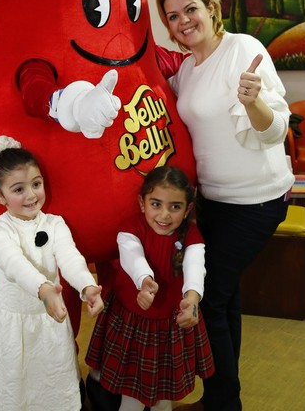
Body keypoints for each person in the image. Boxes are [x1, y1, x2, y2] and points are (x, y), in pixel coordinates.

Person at [155, 0, 295, 411]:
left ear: (211, 8)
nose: (183, 21)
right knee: (226, 297)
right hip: (213, 200)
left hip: (257, 200)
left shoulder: (244, 50)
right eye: (173, 16)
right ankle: (222, 395)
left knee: (208, 298)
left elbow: (275, 131)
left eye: (190, 9)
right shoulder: (186, 70)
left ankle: (223, 402)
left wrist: (254, 101)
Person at [0, 135, 104, 411]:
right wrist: (44, 290)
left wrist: (87, 286)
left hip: (46, 322)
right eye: (18, 189)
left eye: (36, 184)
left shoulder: (55, 224)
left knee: (47, 383)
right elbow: (15, 264)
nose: (31, 195)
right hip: (9, 325)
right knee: (10, 386)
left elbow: (70, 258)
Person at [85, 165, 214, 411]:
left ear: (187, 210)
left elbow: (196, 266)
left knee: (163, 399)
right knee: (131, 398)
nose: (164, 215)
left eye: (175, 207)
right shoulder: (130, 228)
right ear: (142, 203)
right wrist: (144, 281)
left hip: (170, 326)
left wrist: (193, 300)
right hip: (132, 322)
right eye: (156, 204)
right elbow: (132, 256)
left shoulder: (192, 235)